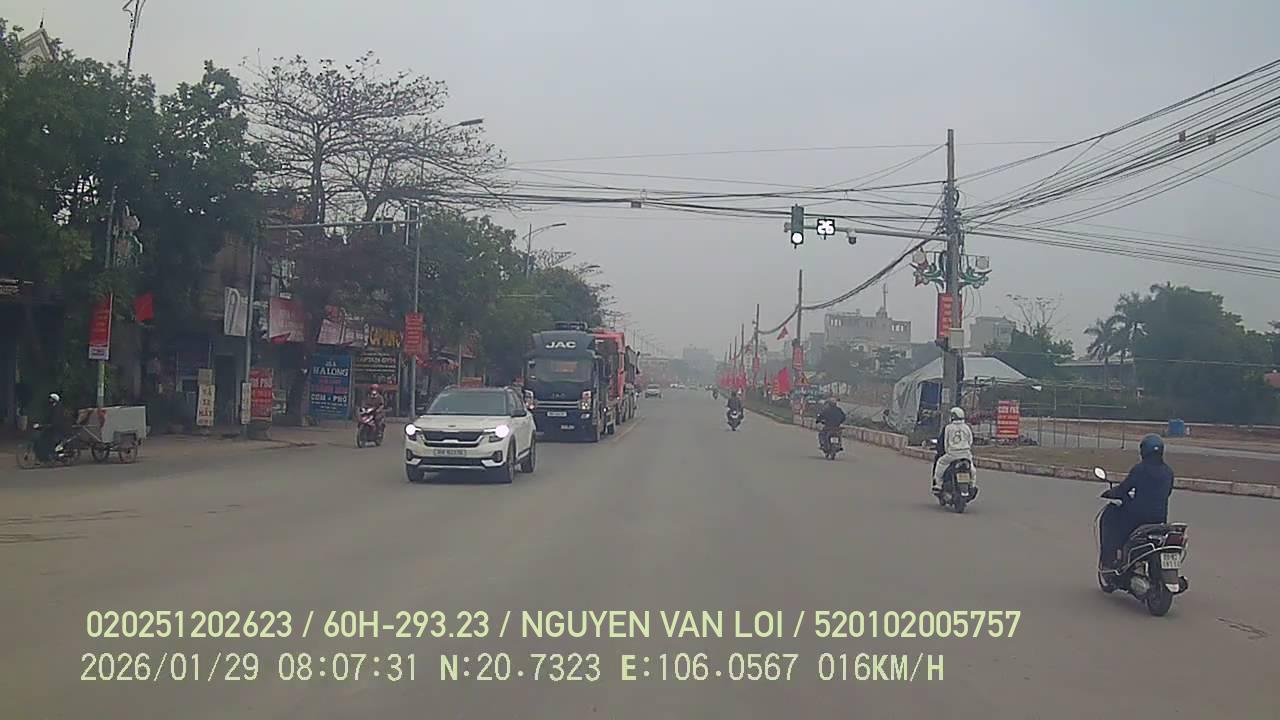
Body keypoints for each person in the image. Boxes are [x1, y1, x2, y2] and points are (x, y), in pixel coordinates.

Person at [1098, 434, 1174, 570]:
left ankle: (1112, 561)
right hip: (1160, 519)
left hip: (1138, 519)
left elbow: (1124, 489)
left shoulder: (1140, 469)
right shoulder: (1168, 472)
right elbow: (1167, 493)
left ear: (1143, 451)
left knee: (1112, 520)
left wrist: (1110, 493)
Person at [932, 407, 974, 492]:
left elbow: (945, 442)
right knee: (972, 469)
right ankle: (972, 485)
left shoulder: (948, 427)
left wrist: (947, 451)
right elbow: (970, 441)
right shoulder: (967, 427)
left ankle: (938, 484)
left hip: (952, 454)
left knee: (940, 463)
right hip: (966, 454)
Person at [35, 393, 70, 462]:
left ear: (55, 400)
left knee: (56, 440)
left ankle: (61, 455)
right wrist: (41, 424)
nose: (50, 400)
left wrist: (50, 425)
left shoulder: (59, 408)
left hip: (59, 427)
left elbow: (57, 419)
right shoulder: (52, 407)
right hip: (53, 426)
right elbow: (47, 417)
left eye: (51, 399)